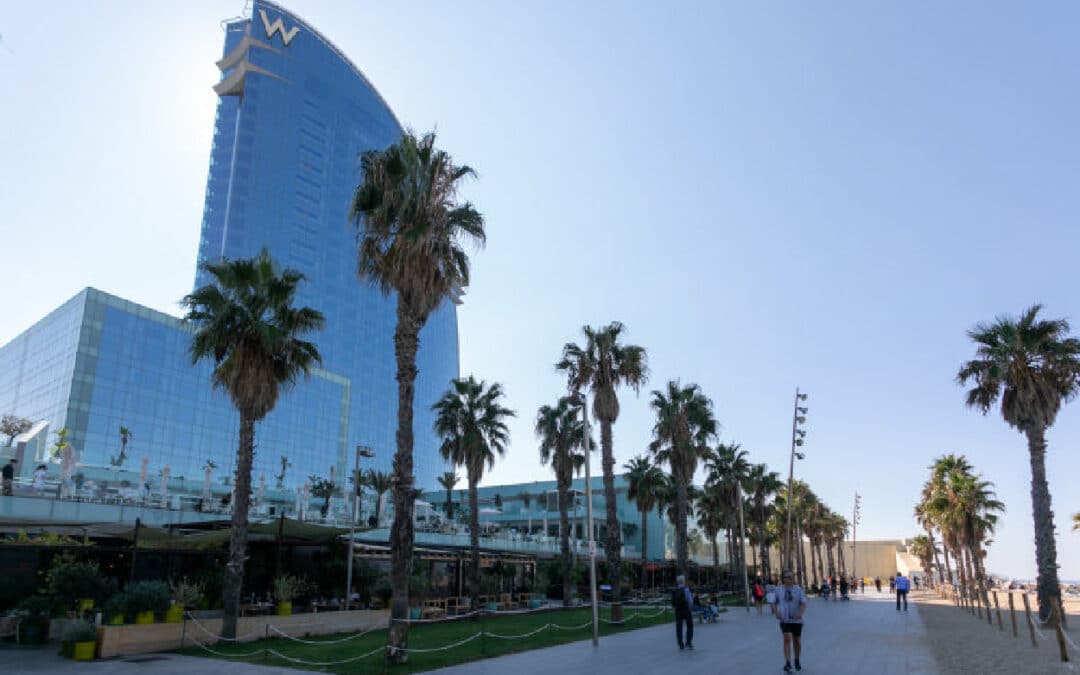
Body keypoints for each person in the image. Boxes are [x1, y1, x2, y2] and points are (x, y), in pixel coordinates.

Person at [773, 569, 806, 673]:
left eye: (791, 577)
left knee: (797, 641)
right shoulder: (778, 590)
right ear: (783, 579)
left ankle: (796, 659)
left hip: (796, 620)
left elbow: (803, 603)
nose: (790, 579)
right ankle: (787, 662)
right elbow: (773, 602)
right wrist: (776, 612)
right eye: (787, 577)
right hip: (784, 619)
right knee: (787, 638)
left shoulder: (798, 589)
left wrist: (800, 613)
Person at [671, 574, 694, 650]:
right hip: (686, 609)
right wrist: (690, 608)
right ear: (683, 581)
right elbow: (690, 601)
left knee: (679, 627)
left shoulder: (674, 590)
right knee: (689, 625)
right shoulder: (686, 589)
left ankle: (681, 644)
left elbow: (673, 602)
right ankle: (688, 642)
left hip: (678, 610)